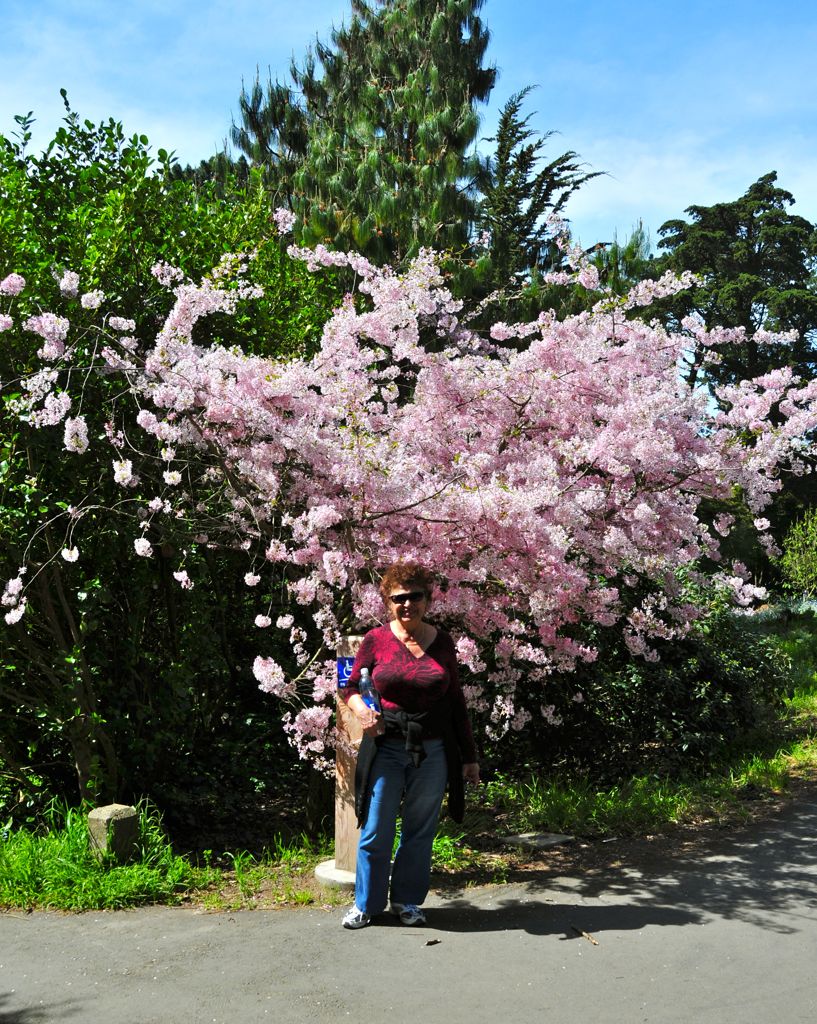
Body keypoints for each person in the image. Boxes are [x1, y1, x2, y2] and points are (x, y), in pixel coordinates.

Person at [341, 561, 480, 929]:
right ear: (388, 602)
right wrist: (362, 712)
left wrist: (469, 757)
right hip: (387, 745)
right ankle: (366, 904)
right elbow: (350, 687)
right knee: (376, 828)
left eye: (414, 597)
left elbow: (455, 701)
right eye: (398, 598)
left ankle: (406, 901)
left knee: (419, 829)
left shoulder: (443, 642)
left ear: (428, 599)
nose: (407, 605)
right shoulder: (376, 639)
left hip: (433, 749)